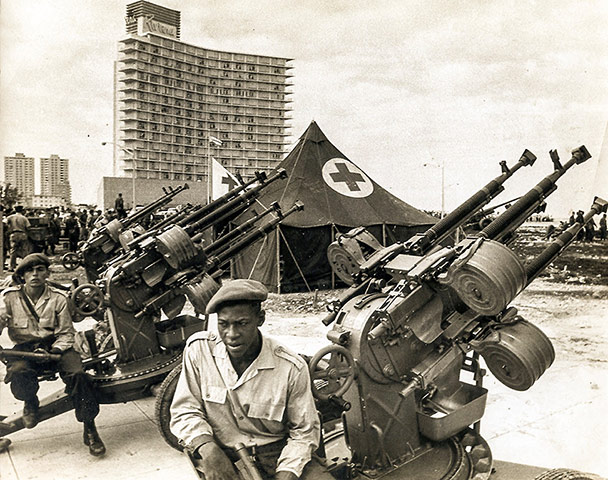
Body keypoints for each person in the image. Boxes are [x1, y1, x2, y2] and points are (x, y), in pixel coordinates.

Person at [170, 279, 331, 480]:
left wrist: (287, 472)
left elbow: (304, 432)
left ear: (260, 319)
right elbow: (184, 410)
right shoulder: (199, 350)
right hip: (224, 455)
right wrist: (207, 447)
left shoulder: (291, 367)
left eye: (242, 324)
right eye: (223, 324)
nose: (231, 335)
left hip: (278, 454)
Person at [0, 254, 105, 456]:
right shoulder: (9, 298)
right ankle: (30, 401)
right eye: (29, 271)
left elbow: (66, 333)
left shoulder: (58, 298)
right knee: (18, 373)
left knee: (79, 376)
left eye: (40, 270)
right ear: (22, 276)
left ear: (47, 273)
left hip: (56, 347)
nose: (35, 275)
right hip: (25, 349)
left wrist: (54, 351)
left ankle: (90, 428)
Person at [6, 205, 32, 271]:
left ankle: (11, 267)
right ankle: (25, 266)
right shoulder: (24, 218)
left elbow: (4, 224)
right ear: (22, 210)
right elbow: (28, 227)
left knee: (13, 251)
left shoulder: (10, 217)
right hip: (22, 234)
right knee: (24, 250)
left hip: (13, 234)